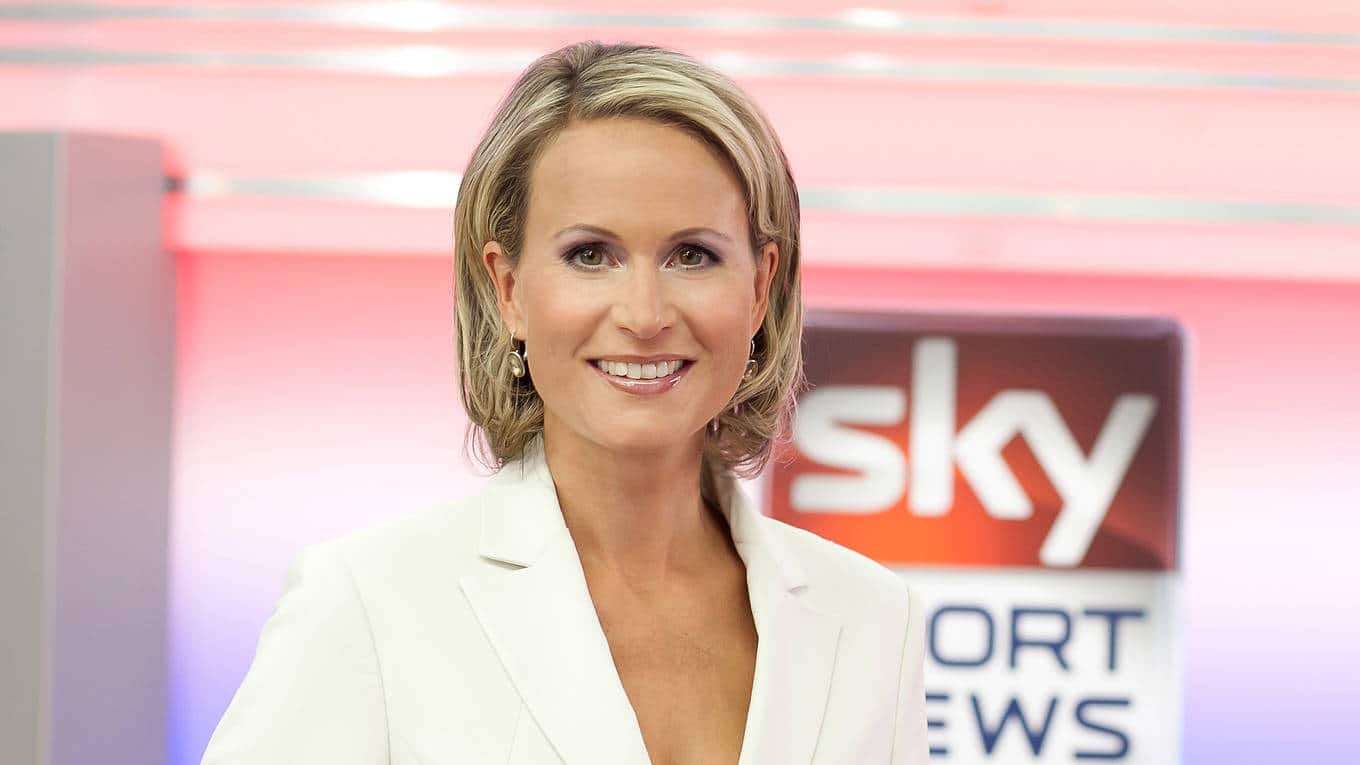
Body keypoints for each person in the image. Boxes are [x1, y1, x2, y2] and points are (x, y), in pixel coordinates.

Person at [202, 40, 926, 764]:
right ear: (509, 288)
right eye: (590, 255)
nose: (644, 314)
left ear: (761, 286)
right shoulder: (366, 601)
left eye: (692, 255)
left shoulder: (871, 621)